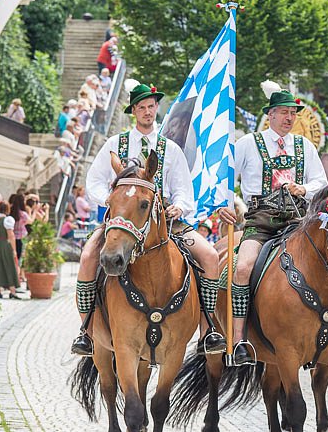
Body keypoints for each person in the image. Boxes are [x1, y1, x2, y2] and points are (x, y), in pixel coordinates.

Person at [71, 82, 226, 357]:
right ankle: (86, 331)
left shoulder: (171, 148)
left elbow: (183, 189)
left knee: (211, 256)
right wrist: (110, 200)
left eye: (150, 106)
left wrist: (179, 207)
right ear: (133, 111)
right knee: (87, 259)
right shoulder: (114, 144)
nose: (146, 112)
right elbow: (93, 181)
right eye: (141, 107)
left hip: (166, 221)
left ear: (156, 108)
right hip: (122, 222)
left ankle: (208, 329)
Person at [217, 80, 328, 366]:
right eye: (283, 112)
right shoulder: (247, 143)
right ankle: (239, 341)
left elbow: (321, 182)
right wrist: (224, 205)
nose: (289, 118)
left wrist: (303, 189)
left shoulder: (305, 146)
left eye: (293, 113)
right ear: (271, 115)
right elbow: (226, 177)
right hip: (261, 222)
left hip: (300, 221)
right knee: (242, 268)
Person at [0, 201, 20, 299]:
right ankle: (12, 291)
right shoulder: (7, 220)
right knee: (9, 266)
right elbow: (11, 235)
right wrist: (14, 250)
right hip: (5, 244)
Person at [9, 193, 31, 261]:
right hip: (21, 238)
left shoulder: (10, 212)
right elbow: (30, 221)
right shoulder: (23, 214)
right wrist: (31, 211)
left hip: (12, 238)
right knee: (21, 259)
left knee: (14, 259)